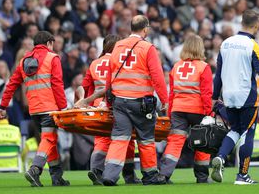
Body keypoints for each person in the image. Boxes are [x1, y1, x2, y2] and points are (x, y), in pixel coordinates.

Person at [212, 10, 259, 185]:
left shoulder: (225, 43)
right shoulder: (253, 45)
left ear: (241, 22)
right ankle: (242, 175)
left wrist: (215, 96)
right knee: (248, 133)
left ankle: (220, 156)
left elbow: (218, 74)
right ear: (256, 25)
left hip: (228, 96)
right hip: (246, 96)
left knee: (234, 130)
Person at [0, 31, 69, 187]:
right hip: (50, 108)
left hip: (34, 109)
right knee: (48, 139)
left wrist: (2, 106)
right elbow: (57, 84)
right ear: (49, 43)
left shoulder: (23, 61)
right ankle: (35, 169)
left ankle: (57, 176)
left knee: (50, 141)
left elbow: (11, 85)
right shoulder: (52, 58)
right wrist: (63, 107)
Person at [103, 15, 168, 186]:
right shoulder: (148, 48)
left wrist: (108, 100)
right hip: (140, 103)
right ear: (145, 28)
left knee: (119, 138)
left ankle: (109, 175)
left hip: (119, 101)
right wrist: (165, 100)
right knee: (146, 139)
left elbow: (110, 74)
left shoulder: (118, 45)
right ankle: (150, 175)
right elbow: (158, 77)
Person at [75, 34, 141, 185]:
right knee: (127, 138)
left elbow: (85, 87)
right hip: (116, 102)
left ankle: (96, 169)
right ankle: (129, 175)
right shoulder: (119, 60)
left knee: (101, 138)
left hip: (98, 105)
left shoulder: (94, 63)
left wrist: (82, 103)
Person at [159, 35, 213, 183]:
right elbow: (207, 93)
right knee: (202, 142)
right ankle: (202, 177)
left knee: (175, 142)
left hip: (178, 109)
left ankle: (164, 174)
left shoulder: (176, 66)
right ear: (199, 48)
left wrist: (170, 112)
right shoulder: (203, 67)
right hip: (198, 110)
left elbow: (172, 92)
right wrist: (209, 112)